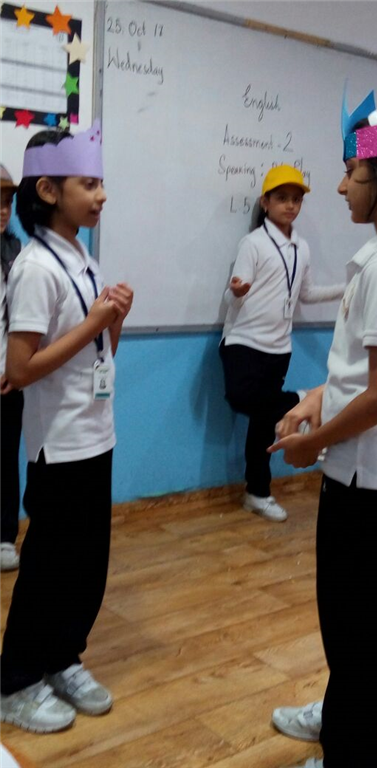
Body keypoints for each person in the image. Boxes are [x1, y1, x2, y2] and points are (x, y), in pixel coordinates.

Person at [269, 96, 377, 768]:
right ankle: (344, 715)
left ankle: (357, 750)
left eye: (349, 171)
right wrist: (317, 395)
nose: (340, 187)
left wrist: (313, 442)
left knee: (358, 625)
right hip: (370, 471)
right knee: (354, 621)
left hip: (367, 477)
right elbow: (368, 373)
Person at [0, 123, 133, 733]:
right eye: (89, 183)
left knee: (87, 564)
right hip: (58, 444)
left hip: (96, 433)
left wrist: (114, 320)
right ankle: (15, 682)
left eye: (101, 182)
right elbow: (20, 369)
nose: (101, 195)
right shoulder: (35, 267)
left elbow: (98, 354)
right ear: (49, 190)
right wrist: (95, 322)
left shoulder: (81, 256)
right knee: (50, 566)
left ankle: (62, 657)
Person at [220, 165, 344, 522]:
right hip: (244, 341)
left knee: (262, 421)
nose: (290, 205)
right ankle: (302, 400)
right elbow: (232, 297)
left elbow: (306, 294)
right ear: (266, 202)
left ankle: (257, 493)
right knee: (241, 399)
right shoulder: (253, 243)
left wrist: (347, 288)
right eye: (282, 198)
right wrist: (237, 292)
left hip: (279, 349)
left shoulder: (300, 247)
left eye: (296, 199)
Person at [0, 165, 23, 572]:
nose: (3, 210)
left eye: (7, 202)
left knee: (5, 458)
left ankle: (4, 537)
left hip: (8, 379)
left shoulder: (17, 254)